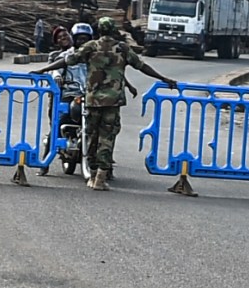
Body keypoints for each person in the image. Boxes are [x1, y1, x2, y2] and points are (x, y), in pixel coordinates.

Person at [41, 16, 178, 191]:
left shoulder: (91, 47)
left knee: (90, 135)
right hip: (113, 101)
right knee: (107, 138)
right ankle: (100, 176)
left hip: (92, 99)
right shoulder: (122, 49)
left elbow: (67, 60)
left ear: (98, 31)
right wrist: (163, 78)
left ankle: (90, 170)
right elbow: (142, 66)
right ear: (114, 31)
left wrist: (43, 69)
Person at [52, 21, 94, 174]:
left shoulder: (94, 56)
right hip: (70, 93)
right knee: (60, 119)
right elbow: (56, 67)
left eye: (86, 38)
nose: (82, 42)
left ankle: (105, 164)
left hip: (90, 95)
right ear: (74, 39)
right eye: (79, 38)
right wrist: (57, 76)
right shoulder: (66, 55)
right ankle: (46, 160)